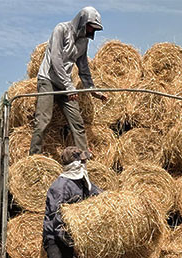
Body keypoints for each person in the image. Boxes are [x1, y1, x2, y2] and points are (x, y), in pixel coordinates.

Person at [30, 6, 108, 156]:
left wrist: (93, 90)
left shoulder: (83, 41)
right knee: (43, 121)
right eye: (90, 27)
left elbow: (83, 67)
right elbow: (56, 60)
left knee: (77, 123)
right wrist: (69, 86)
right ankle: (34, 158)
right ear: (82, 21)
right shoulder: (61, 29)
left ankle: (84, 157)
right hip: (48, 79)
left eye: (94, 30)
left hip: (65, 84)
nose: (91, 32)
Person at [42, 146, 101, 258]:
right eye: (82, 161)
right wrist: (72, 244)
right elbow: (57, 222)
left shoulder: (84, 183)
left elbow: (99, 197)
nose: (85, 164)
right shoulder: (59, 187)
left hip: (76, 240)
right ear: (74, 164)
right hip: (56, 238)